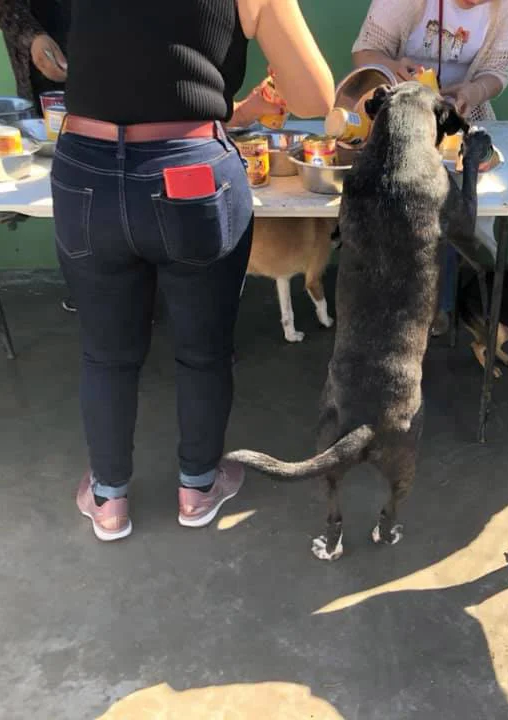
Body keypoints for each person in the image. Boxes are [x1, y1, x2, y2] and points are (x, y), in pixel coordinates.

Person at [55, 0, 334, 541]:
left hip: (84, 170)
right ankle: (198, 487)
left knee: (105, 352)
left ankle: (109, 499)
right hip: (187, 172)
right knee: (203, 349)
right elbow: (315, 98)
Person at [352, 0, 508, 335]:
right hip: (399, 120)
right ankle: (401, 304)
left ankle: (440, 304)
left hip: (462, 118)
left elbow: (498, 72)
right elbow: (364, 53)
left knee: (451, 214)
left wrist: (474, 90)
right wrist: (392, 67)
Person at [0, 0, 78, 313]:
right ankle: (91, 282)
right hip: (48, 60)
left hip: (120, 46)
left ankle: (134, 282)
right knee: (70, 178)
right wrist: (30, 35)